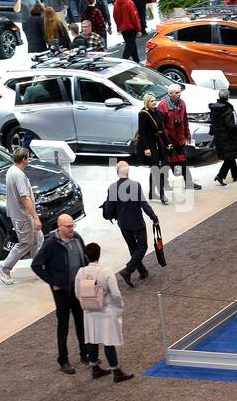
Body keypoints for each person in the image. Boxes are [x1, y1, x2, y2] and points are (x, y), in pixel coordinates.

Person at [31, 214, 92, 374]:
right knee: (63, 325)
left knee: (81, 322)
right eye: (69, 226)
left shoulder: (77, 238)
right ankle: (63, 360)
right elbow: (36, 265)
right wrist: (53, 282)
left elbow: (84, 257)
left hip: (78, 289)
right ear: (60, 227)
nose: (72, 229)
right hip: (62, 292)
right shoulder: (51, 244)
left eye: (73, 225)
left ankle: (84, 353)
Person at [73, 242, 133, 382]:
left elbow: (77, 292)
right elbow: (116, 294)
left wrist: (87, 302)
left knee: (92, 340)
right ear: (99, 254)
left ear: (86, 256)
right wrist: (119, 307)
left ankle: (95, 368)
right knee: (108, 341)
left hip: (89, 311)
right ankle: (116, 371)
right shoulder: (106, 272)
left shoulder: (80, 272)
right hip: (106, 311)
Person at [103, 161, 159, 287]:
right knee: (142, 246)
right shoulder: (135, 185)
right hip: (137, 222)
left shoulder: (112, 187)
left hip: (123, 224)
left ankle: (142, 271)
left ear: (117, 172)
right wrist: (154, 217)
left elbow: (108, 210)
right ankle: (128, 270)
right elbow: (144, 204)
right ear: (128, 172)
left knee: (133, 248)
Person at [0, 147, 44, 286]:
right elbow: (25, 198)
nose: (29, 159)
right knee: (25, 244)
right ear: (24, 159)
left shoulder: (11, 170)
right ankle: (4, 268)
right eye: (28, 157)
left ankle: (38, 266)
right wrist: (35, 217)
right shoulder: (19, 175)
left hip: (21, 214)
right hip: (23, 216)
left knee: (38, 238)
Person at [157, 85, 199, 191]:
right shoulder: (163, 105)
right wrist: (166, 140)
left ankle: (188, 183)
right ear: (170, 94)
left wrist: (187, 133)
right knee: (167, 163)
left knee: (184, 161)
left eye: (179, 92)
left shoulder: (182, 103)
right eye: (176, 93)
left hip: (179, 139)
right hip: (168, 140)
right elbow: (160, 125)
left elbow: (184, 119)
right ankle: (164, 185)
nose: (179, 94)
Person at [207, 89, 237, 186]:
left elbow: (212, 122)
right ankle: (220, 176)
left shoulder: (214, 108)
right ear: (228, 97)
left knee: (230, 156)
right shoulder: (227, 109)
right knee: (229, 158)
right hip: (228, 137)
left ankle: (235, 175)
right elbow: (230, 125)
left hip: (219, 136)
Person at [136, 92, 169, 203]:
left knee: (159, 168)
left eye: (155, 100)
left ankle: (151, 192)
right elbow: (142, 132)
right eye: (151, 101)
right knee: (156, 169)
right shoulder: (143, 114)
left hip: (158, 143)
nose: (154, 102)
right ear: (147, 102)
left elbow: (161, 131)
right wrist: (146, 148)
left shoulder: (159, 113)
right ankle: (162, 194)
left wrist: (167, 143)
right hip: (148, 145)